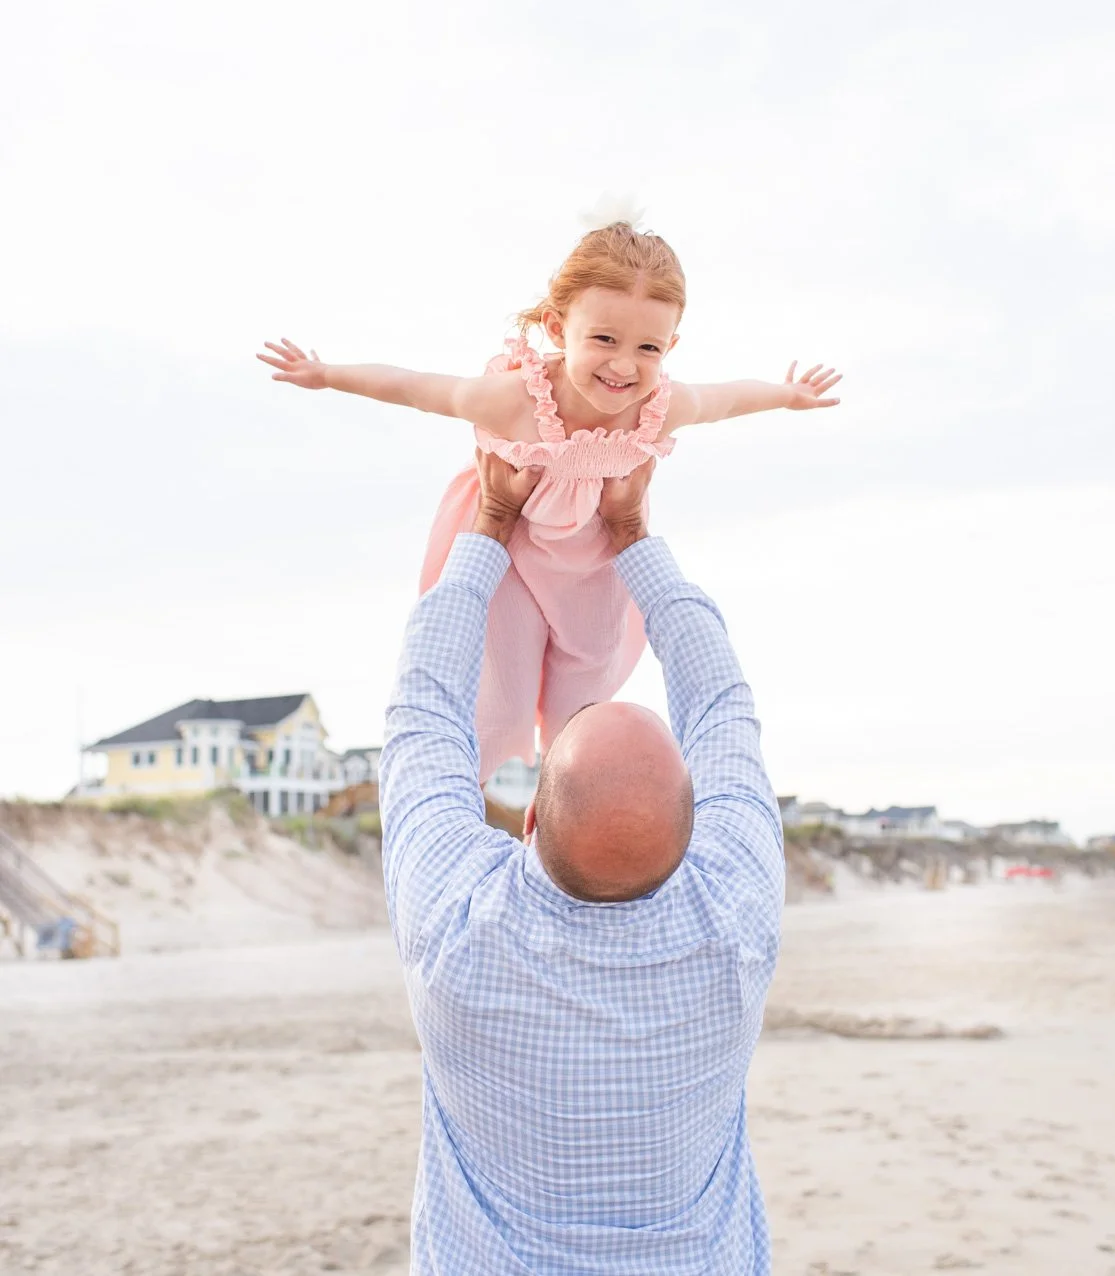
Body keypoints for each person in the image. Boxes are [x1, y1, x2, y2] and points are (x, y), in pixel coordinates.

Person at [380, 447, 785, 1273]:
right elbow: (721, 706)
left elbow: (426, 711)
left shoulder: (456, 934)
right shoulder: (737, 922)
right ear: (694, 830)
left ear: (530, 818)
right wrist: (632, 535)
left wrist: (491, 523)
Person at [258, 216, 840, 781]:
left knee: (583, 695)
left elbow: (727, 400)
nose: (624, 364)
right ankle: (465, 793)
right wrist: (326, 374)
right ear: (557, 329)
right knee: (500, 691)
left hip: (595, 562)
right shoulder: (515, 399)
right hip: (511, 551)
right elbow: (417, 388)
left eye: (648, 348)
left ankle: (559, 804)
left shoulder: (660, 407)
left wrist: (787, 394)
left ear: (671, 345)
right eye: (604, 338)